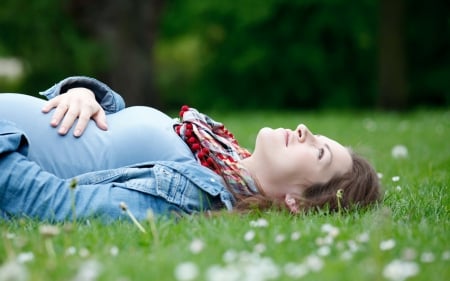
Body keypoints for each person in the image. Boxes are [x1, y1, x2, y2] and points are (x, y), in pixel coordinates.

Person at [0, 76, 381, 222]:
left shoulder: (196, 195)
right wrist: (83, 93)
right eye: (318, 136)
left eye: (318, 152)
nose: (304, 130)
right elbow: (111, 128)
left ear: (298, 201)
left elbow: (55, 205)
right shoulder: (213, 149)